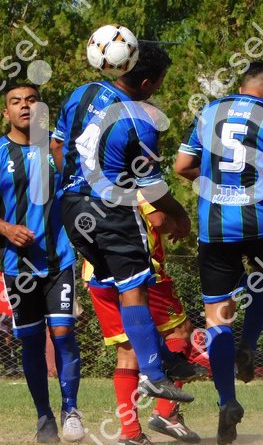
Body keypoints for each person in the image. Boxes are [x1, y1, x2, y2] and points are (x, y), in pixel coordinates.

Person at [50, 40, 205, 405]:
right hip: (113, 210)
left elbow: (57, 146)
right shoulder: (141, 120)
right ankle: (154, 375)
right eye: (161, 80)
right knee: (135, 289)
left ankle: (164, 359)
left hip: (72, 208)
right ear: (147, 82)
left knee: (121, 287)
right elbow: (151, 188)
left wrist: (75, 182)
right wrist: (180, 214)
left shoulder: (82, 93)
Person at [174, 60, 263, 445]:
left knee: (217, 319)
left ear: (241, 86)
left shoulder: (208, 112)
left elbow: (182, 165)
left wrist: (215, 182)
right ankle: (249, 343)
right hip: (261, 223)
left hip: (215, 228)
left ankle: (227, 401)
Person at [0, 84, 84, 443]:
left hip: (60, 259)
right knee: (32, 342)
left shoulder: (57, 149)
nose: (24, 107)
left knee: (63, 335)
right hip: (17, 266)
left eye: (31, 101)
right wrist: (7, 228)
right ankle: (44, 416)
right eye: (16, 102)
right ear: (5, 113)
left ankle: (71, 410)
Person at [83, 189, 202, 445]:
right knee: (179, 332)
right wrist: (176, 220)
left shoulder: (88, 181)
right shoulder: (133, 179)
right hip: (135, 271)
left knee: (127, 351)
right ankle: (167, 412)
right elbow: (158, 219)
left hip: (96, 274)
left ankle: (131, 433)